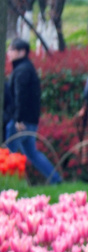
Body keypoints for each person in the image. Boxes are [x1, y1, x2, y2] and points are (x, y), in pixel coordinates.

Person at [4, 41, 59, 183]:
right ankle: (55, 179)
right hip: (29, 120)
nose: (9, 53)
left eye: (12, 50)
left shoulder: (22, 70)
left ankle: (7, 184)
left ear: (22, 52)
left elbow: (21, 96)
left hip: (21, 121)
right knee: (32, 154)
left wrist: (18, 119)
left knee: (7, 153)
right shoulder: (26, 68)